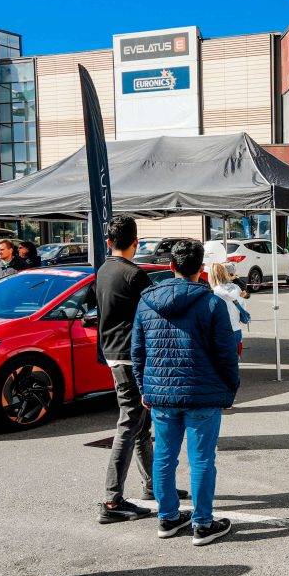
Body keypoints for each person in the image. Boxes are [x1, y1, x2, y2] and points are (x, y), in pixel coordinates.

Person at [132, 240, 240, 546]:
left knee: (164, 457)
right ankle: (202, 523)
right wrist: (230, 389)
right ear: (201, 268)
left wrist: (144, 388)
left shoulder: (146, 302)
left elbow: (138, 351)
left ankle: (167, 517)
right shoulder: (212, 304)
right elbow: (226, 353)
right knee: (202, 459)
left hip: (161, 394)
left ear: (171, 266)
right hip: (203, 393)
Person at [97, 216, 186, 525]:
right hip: (131, 355)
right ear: (135, 242)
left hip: (113, 352)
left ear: (109, 242)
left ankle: (153, 486)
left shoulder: (104, 270)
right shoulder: (134, 275)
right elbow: (159, 311)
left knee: (139, 423)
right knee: (130, 422)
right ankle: (111, 499)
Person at [208, 262, 249, 357]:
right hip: (236, 330)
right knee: (234, 363)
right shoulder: (237, 288)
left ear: (211, 276)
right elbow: (243, 307)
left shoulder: (213, 293)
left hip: (220, 332)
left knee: (219, 366)